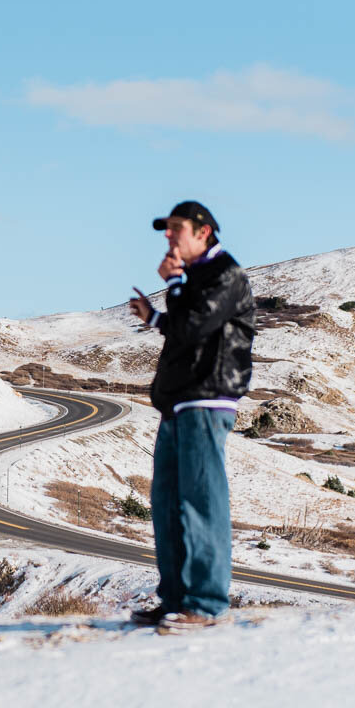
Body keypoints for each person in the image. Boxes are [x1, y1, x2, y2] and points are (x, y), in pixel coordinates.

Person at [128, 201, 255, 634]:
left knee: (201, 501)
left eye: (176, 228)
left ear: (203, 232)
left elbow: (194, 327)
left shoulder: (225, 275)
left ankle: (206, 604)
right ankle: (176, 601)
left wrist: (176, 283)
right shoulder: (199, 279)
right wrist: (156, 317)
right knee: (167, 503)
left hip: (206, 400)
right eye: (166, 230)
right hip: (179, 403)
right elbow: (185, 327)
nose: (168, 236)